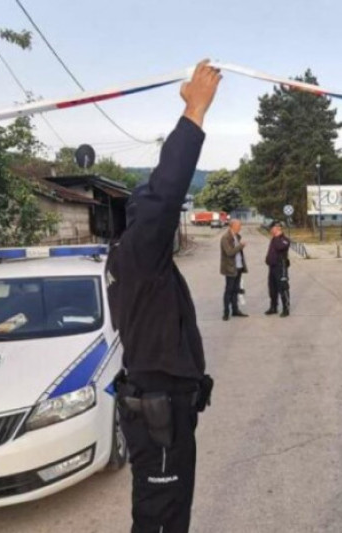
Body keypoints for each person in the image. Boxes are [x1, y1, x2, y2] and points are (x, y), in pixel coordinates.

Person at [105, 60, 220, 533]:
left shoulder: (137, 262)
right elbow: (165, 194)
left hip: (165, 405)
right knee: (160, 519)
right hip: (158, 411)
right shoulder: (140, 253)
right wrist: (195, 111)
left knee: (163, 512)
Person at [220, 219, 248, 320]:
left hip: (239, 267)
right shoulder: (225, 238)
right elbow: (229, 253)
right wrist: (241, 246)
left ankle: (235, 310)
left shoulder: (237, 236)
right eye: (239, 225)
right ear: (233, 226)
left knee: (236, 290)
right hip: (230, 268)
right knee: (229, 290)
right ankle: (226, 312)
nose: (240, 227)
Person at [265, 221, 291, 317]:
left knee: (283, 288)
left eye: (272, 228)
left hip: (281, 267)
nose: (270, 230)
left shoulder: (284, 240)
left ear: (277, 228)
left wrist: (277, 236)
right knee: (272, 288)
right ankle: (273, 307)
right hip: (272, 267)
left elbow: (280, 247)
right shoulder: (273, 239)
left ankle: (286, 308)